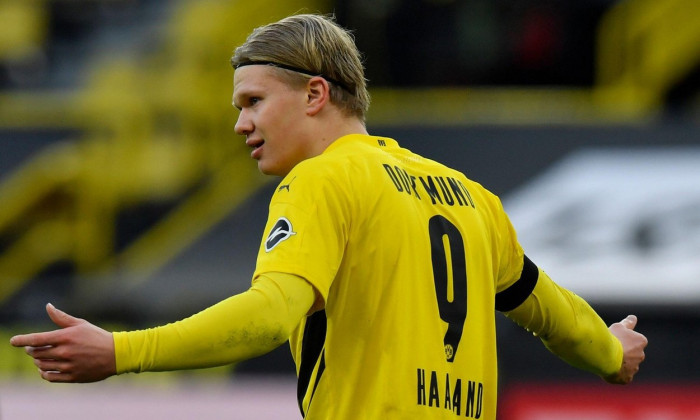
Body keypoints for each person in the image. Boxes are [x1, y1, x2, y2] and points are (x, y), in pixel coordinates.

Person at [10, 13, 647, 420]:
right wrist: (610, 352)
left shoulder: (322, 181)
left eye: (254, 101)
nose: (240, 124)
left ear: (316, 93)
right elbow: (551, 311)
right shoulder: (471, 198)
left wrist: (122, 351)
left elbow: (270, 315)